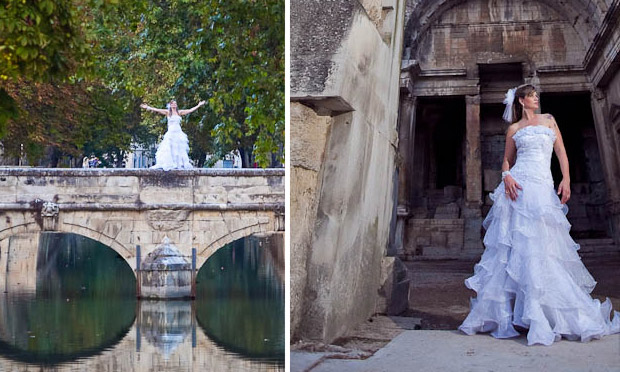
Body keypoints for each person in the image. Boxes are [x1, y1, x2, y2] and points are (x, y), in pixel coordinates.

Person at [458, 84, 620, 345]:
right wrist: (505, 177)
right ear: (522, 101)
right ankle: (513, 314)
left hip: (542, 186)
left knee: (544, 247)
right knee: (514, 249)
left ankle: (542, 312)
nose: (536, 98)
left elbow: (561, 153)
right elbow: (507, 160)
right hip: (518, 188)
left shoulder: (549, 120)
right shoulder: (513, 129)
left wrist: (566, 180)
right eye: (531, 95)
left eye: (536, 95)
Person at [140, 99, 205, 170]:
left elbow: (190, 110)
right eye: (173, 104)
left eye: (175, 104)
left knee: (179, 148)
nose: (174, 105)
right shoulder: (167, 112)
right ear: (170, 105)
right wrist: (148, 107)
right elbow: (157, 110)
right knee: (169, 147)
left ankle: (178, 163)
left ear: (176, 105)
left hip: (178, 132)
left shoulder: (179, 112)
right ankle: (170, 163)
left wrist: (198, 105)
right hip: (171, 132)